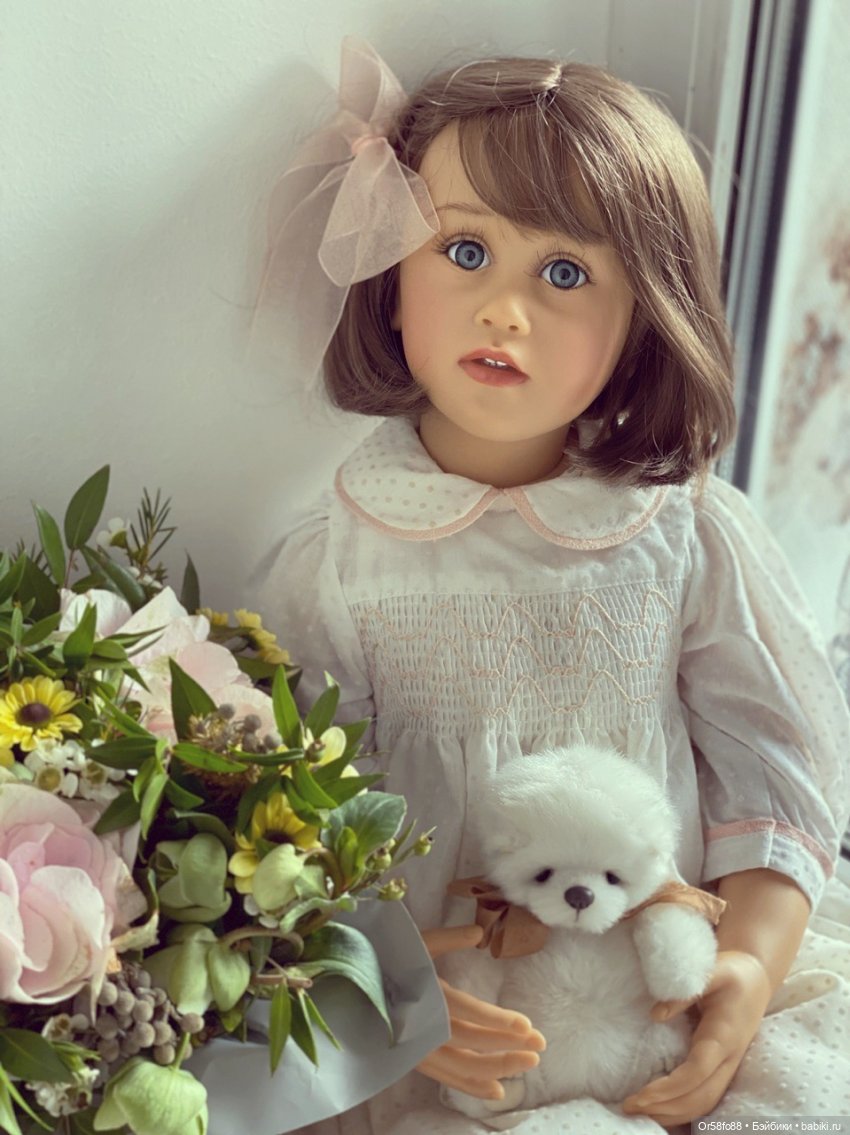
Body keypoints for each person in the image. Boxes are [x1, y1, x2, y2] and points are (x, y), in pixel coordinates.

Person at [254, 38, 850, 1135]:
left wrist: (747, 971)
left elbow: (770, 772)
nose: (504, 310)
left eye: (565, 273)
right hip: (442, 1041)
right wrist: (390, 987)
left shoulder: (682, 533)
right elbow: (292, 829)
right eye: (464, 250)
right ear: (391, 279)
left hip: (656, 1009)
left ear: (640, 320)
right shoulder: (335, 560)